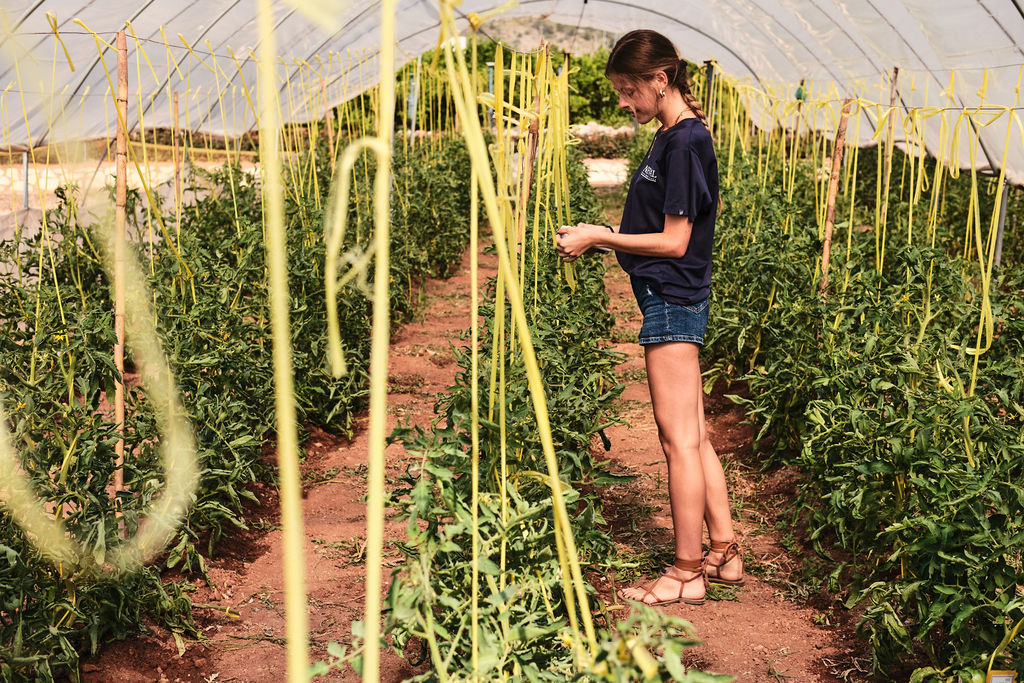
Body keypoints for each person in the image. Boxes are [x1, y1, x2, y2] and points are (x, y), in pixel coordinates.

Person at [555, 30, 743, 606]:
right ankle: (724, 551)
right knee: (695, 435)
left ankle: (685, 573)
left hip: (672, 295)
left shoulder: (684, 143)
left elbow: (675, 240)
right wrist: (608, 235)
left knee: (677, 441)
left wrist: (600, 237)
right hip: (673, 294)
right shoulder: (673, 137)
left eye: (628, 90)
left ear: (660, 81)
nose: (623, 102)